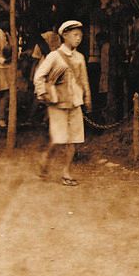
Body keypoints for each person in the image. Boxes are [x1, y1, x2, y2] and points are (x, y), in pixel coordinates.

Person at [33, 20, 91, 187]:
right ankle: (45, 158)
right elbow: (39, 76)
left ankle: (66, 172)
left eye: (80, 36)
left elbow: (84, 79)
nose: (78, 38)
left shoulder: (80, 57)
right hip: (57, 103)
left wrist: (87, 98)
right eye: (75, 35)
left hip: (75, 102)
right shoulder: (54, 56)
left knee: (73, 140)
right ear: (65, 35)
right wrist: (43, 93)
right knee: (59, 139)